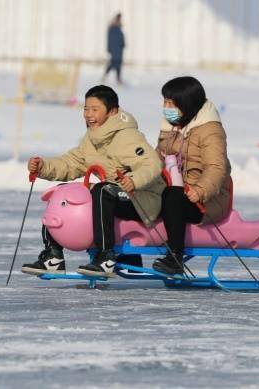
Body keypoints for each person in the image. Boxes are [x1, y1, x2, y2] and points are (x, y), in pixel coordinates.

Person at [21, 85, 165, 278]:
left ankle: (106, 256)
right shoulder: (92, 139)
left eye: (95, 109)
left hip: (143, 198)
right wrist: (43, 167)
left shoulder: (127, 136)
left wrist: (134, 180)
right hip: (117, 195)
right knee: (62, 192)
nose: (89, 114)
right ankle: (53, 256)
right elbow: (71, 163)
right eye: (86, 109)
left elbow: (152, 164)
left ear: (112, 111)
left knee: (102, 190)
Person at [153, 76, 232, 275]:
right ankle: (124, 251)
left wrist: (200, 190)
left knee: (172, 195)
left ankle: (175, 257)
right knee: (140, 192)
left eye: (171, 103)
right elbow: (155, 160)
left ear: (186, 103)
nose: (166, 107)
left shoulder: (210, 130)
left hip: (204, 200)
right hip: (175, 193)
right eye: (165, 102)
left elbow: (216, 167)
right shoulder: (171, 128)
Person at [102, 13, 125, 85]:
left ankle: (118, 79)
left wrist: (123, 44)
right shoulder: (112, 29)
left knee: (118, 64)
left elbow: (121, 39)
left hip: (119, 49)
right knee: (113, 63)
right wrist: (109, 48)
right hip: (115, 49)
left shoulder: (118, 29)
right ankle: (106, 76)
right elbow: (110, 39)